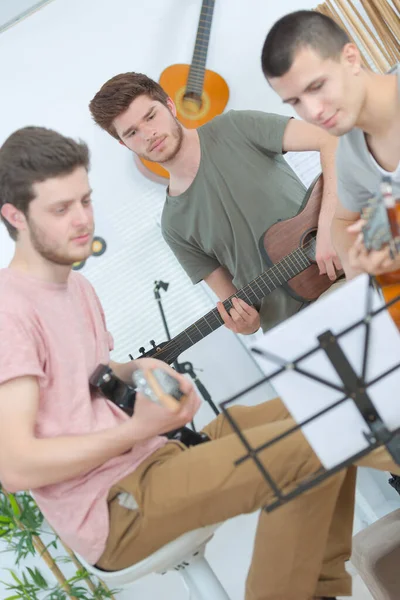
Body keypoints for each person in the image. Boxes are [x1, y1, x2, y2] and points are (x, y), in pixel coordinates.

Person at [0, 125, 354, 600]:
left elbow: (90, 379)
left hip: (156, 457)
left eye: (84, 200)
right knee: (308, 446)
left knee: (337, 411)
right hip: (113, 508)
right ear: (15, 217)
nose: (82, 219)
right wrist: (133, 430)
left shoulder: (75, 288)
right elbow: (17, 467)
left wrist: (142, 371)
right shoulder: (11, 310)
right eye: (61, 209)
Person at [88, 73, 342, 336]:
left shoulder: (235, 126)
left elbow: (330, 139)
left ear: (170, 106)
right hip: (292, 332)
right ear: (124, 144)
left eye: (150, 116)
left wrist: (326, 230)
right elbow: (236, 303)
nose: (148, 134)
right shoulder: (173, 226)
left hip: (344, 279)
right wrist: (247, 324)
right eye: (132, 133)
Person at [261, 9, 400, 281]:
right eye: (295, 102)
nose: (312, 111)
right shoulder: (350, 155)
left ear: (351, 58)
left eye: (317, 86)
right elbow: (342, 222)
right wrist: (359, 267)